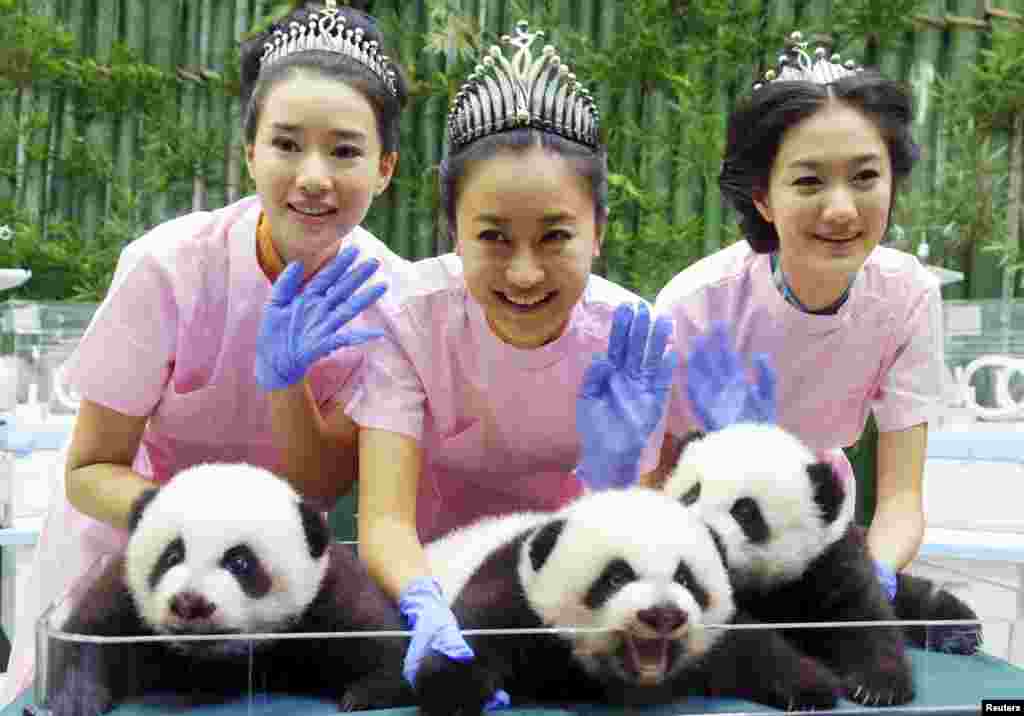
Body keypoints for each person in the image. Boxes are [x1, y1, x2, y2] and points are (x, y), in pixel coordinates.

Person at [2, 1, 409, 703]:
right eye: (286, 144)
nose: (313, 176)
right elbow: (91, 469)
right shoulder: (167, 267)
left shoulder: (396, 303)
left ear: (385, 168)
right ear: (249, 151)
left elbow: (318, 489)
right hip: (129, 560)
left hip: (269, 582)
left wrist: (288, 385)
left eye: (345, 150)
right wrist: (181, 522)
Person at [339, 20, 676, 706]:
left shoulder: (632, 339)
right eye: (493, 238)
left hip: (581, 607)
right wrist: (425, 604)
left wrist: (620, 478)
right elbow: (383, 520)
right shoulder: (408, 321)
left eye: (555, 237)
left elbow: (643, 535)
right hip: (426, 594)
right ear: (452, 232)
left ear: (599, 232)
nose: (524, 274)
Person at [652, 32, 944, 618]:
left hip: (822, 531)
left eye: (865, 177)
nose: (841, 209)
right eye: (809, 182)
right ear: (762, 196)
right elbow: (653, 488)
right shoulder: (695, 307)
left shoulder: (908, 296)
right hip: (699, 547)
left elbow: (902, 498)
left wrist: (872, 581)